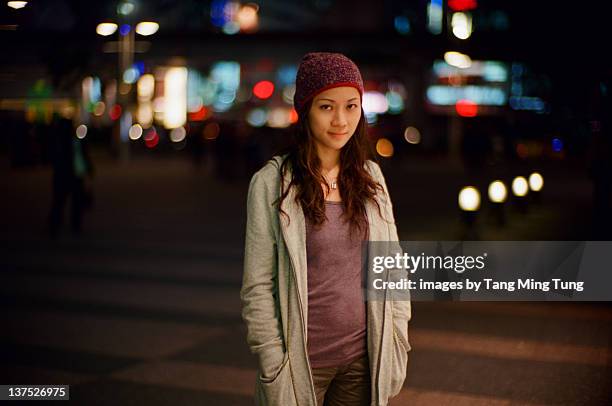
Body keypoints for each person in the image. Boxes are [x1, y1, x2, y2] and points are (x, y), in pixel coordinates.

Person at [241, 52, 411, 406]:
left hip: (362, 360)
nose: (341, 120)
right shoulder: (272, 183)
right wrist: (274, 359)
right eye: (326, 107)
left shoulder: (371, 178)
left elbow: (392, 267)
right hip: (300, 365)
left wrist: (397, 337)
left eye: (351, 106)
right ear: (305, 110)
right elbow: (258, 285)